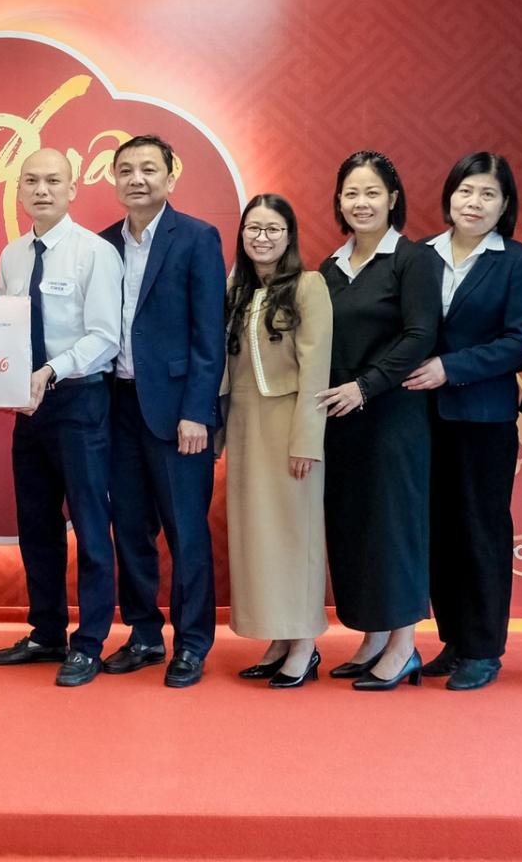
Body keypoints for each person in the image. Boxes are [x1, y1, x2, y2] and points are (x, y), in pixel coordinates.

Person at [403, 152, 522, 691]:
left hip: (482, 417)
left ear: (505, 205)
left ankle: (484, 648)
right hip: (420, 415)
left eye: (488, 194)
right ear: (449, 196)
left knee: (481, 530)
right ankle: (454, 640)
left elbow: (519, 342)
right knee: (435, 530)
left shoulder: (518, 262)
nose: (474, 203)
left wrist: (450, 368)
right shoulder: (420, 254)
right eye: (466, 191)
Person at [0, 148, 124, 687]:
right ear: (19, 190)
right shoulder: (13, 254)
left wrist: (49, 371)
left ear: (72, 190)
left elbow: (105, 337)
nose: (41, 190)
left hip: (79, 402)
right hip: (29, 407)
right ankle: (46, 633)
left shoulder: (95, 253)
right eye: (31, 181)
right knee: (36, 524)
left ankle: (89, 643)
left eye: (52, 181)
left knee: (90, 525)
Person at [97, 134, 226, 688]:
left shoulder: (197, 237)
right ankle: (145, 634)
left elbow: (209, 336)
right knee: (129, 528)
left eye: (149, 168)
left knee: (186, 531)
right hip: (117, 406)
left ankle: (192, 643)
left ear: (170, 176)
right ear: (114, 178)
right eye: (126, 169)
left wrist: (198, 411)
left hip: (178, 414)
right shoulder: (103, 244)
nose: (137, 179)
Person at [317, 150, 442, 690]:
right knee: (355, 528)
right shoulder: (329, 267)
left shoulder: (413, 260)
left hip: (393, 415)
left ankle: (404, 645)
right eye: (351, 193)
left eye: (372, 192)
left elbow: (420, 336)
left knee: (395, 529)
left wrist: (365, 386)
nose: (361, 203)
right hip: (341, 419)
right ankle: (373, 637)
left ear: (393, 199)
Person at [222, 193, 332, 689]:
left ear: (289, 237)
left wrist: (307, 439)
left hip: (290, 423)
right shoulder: (236, 290)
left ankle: (305, 642)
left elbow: (316, 368)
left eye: (272, 229)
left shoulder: (309, 286)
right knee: (258, 538)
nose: (261, 238)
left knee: (294, 534)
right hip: (245, 424)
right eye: (253, 229)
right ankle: (278, 637)